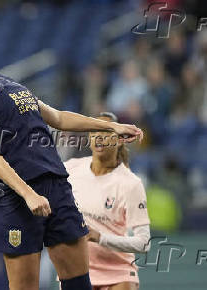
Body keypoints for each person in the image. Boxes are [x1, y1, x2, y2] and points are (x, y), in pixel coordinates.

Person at [0, 30, 143, 290]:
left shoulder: (10, 83)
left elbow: (58, 117)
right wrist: (28, 194)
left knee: (79, 284)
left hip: (57, 186)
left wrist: (109, 127)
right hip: (17, 196)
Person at [64, 112, 151, 290]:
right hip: (77, 270)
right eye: (94, 132)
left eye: (105, 132)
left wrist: (100, 237)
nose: (99, 137)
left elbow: (144, 242)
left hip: (118, 274)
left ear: (119, 140)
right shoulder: (71, 168)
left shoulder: (131, 184)